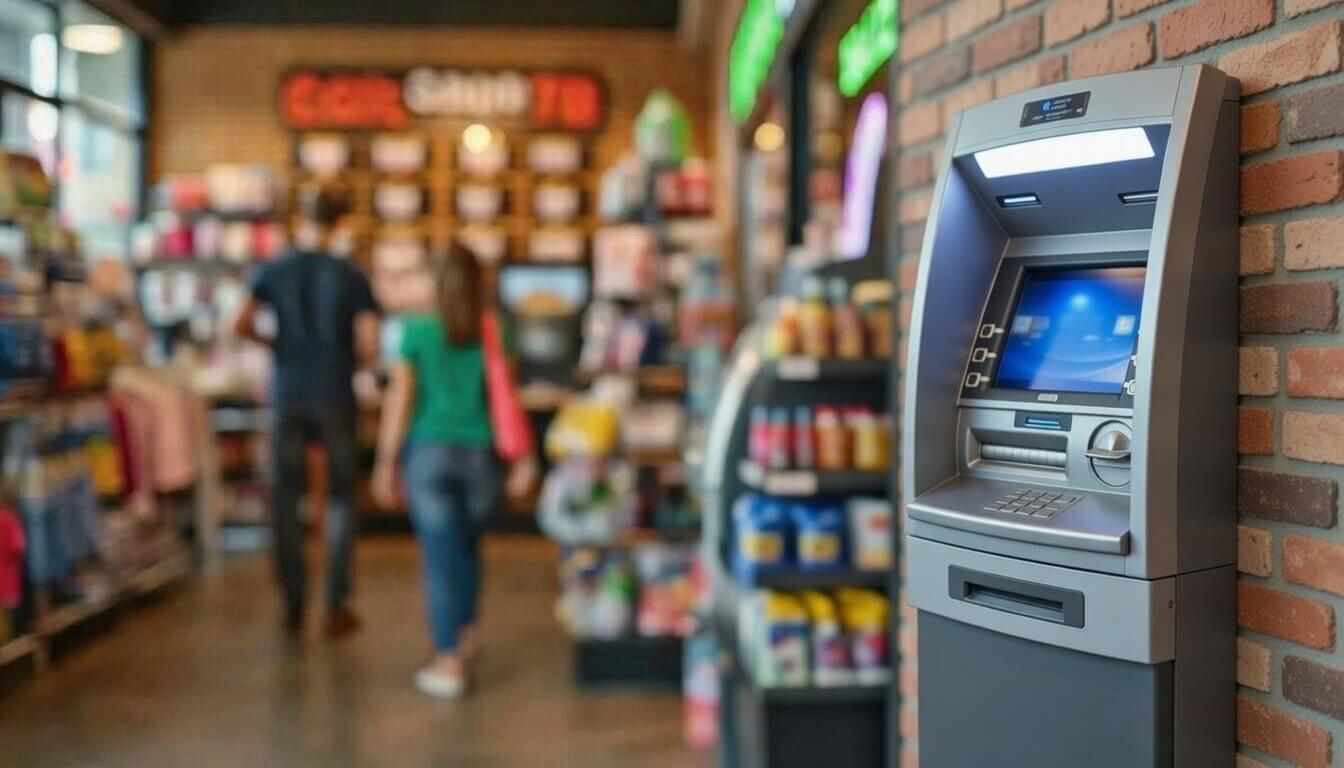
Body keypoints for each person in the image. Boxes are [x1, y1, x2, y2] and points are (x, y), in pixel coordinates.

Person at [371, 245, 537, 699]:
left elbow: (400, 399)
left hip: (429, 454)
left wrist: (385, 462)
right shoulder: (494, 330)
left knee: (440, 557)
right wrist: (524, 458)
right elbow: (507, 397)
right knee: (465, 546)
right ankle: (465, 632)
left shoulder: (415, 332)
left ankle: (448, 660)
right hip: (481, 457)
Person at [234, 188, 381, 637]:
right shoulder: (351, 275)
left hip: (288, 394)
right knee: (339, 500)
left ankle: (293, 601)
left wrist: (277, 348)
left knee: (286, 498)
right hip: (335, 393)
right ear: (340, 224)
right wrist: (345, 361)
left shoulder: (274, 270)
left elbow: (240, 324)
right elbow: (370, 346)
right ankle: (336, 605)